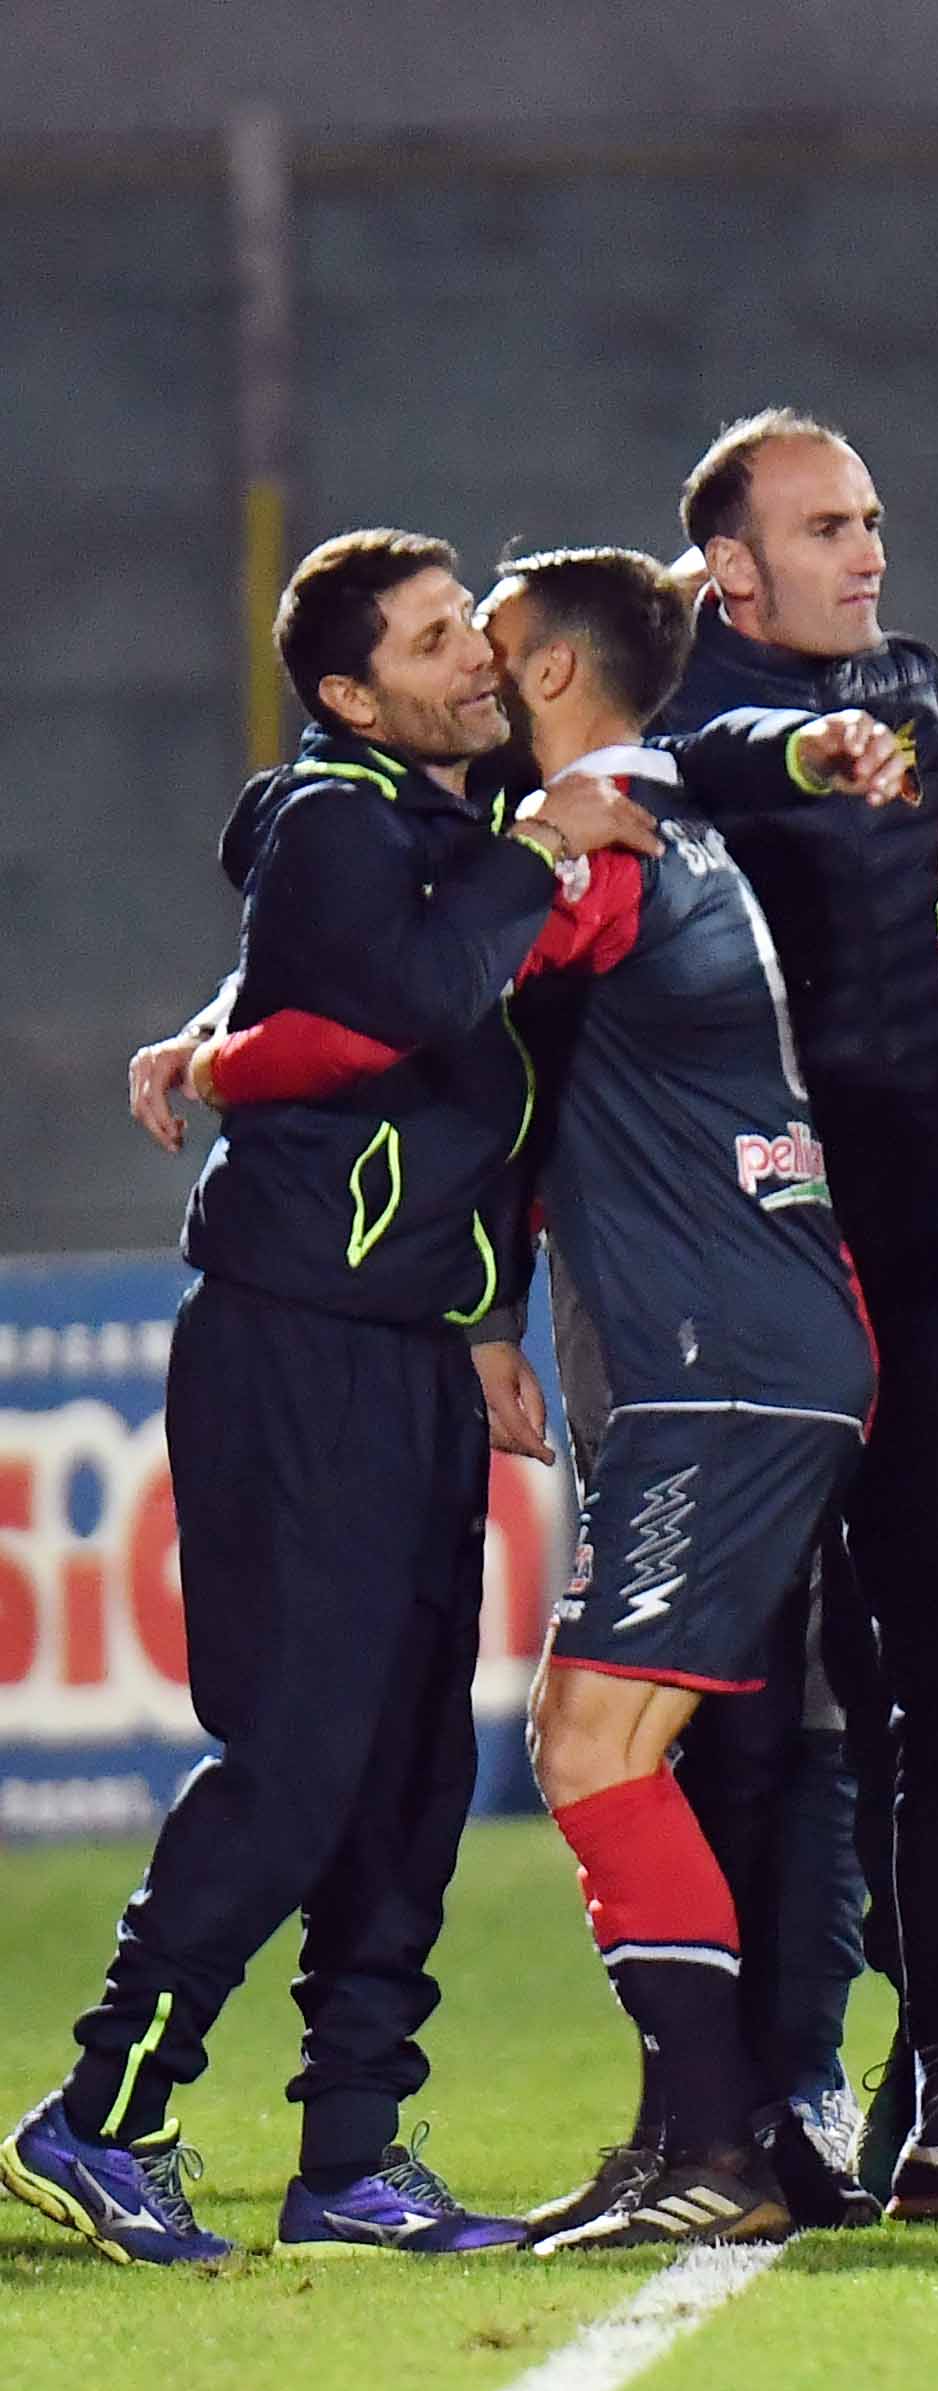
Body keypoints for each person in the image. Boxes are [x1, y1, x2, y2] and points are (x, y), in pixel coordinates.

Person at [168, 549, 922, 2246]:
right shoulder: (658, 810)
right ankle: (700, 2136)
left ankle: (720, 2146)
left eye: (494, 650)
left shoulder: (602, 846)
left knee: (591, 1743)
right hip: (746, 1352)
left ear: (561, 678)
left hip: (727, 1362)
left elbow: (391, 1013)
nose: (483, 681)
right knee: (636, 1741)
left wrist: (212, 1057)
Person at [3, 532, 653, 2266]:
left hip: (409, 1345)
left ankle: (354, 2154)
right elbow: (408, 994)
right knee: (297, 1758)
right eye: (437, 640)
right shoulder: (332, 819)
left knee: (410, 1770)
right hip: (295, 1339)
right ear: (353, 694)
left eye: (474, 630)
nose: (475, 661)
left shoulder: (441, 823)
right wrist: (535, 849)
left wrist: (486, 1311)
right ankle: (104, 2109)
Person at [659, 407, 938, 2215]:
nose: (867, 547)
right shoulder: (691, 734)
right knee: (745, 1708)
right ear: (733, 568)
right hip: (741, 1282)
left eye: (874, 514)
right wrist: (806, 744)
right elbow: (735, 755)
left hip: (904, 1264)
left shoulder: (910, 688)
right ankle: (743, 2096)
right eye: (826, 524)